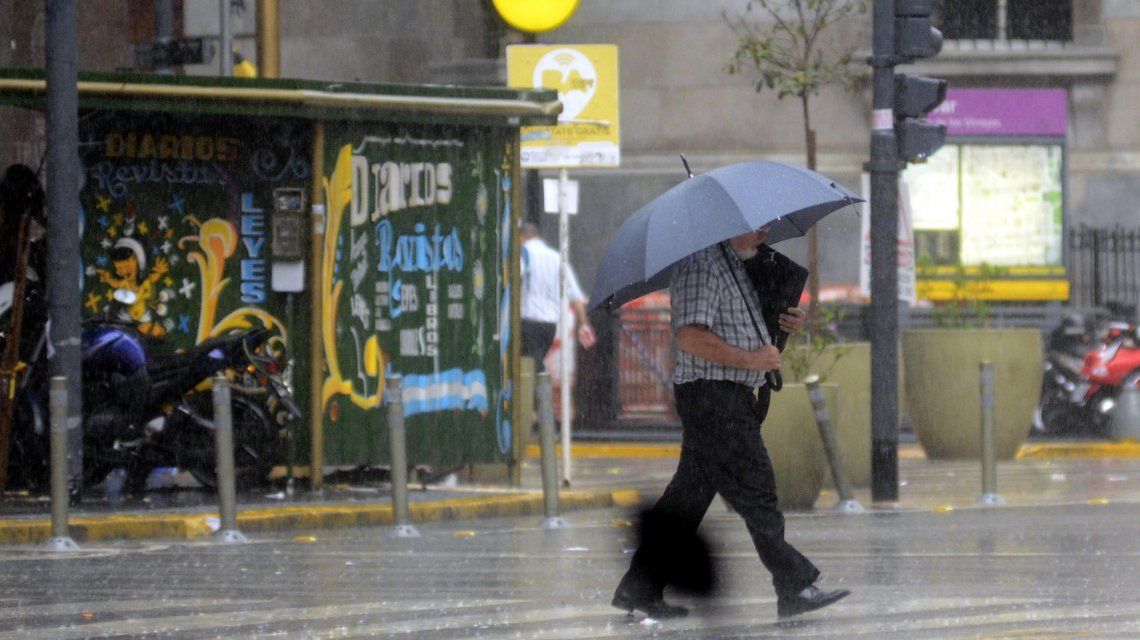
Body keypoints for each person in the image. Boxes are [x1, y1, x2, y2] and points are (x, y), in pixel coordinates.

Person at [611, 226, 850, 619]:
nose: (764, 233)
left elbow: (739, 326)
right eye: (754, 227)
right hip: (713, 397)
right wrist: (752, 360)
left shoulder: (733, 263)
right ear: (727, 226)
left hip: (726, 395)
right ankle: (794, 584)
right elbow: (690, 336)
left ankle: (640, 587)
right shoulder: (703, 265)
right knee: (757, 492)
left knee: (688, 498)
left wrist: (780, 325)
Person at [520, 221, 595, 371]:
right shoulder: (556, 258)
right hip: (549, 325)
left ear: (521, 237)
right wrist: (584, 323)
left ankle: (539, 393)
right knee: (537, 363)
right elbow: (575, 294)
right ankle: (540, 390)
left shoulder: (523, 253)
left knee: (527, 366)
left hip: (527, 321)